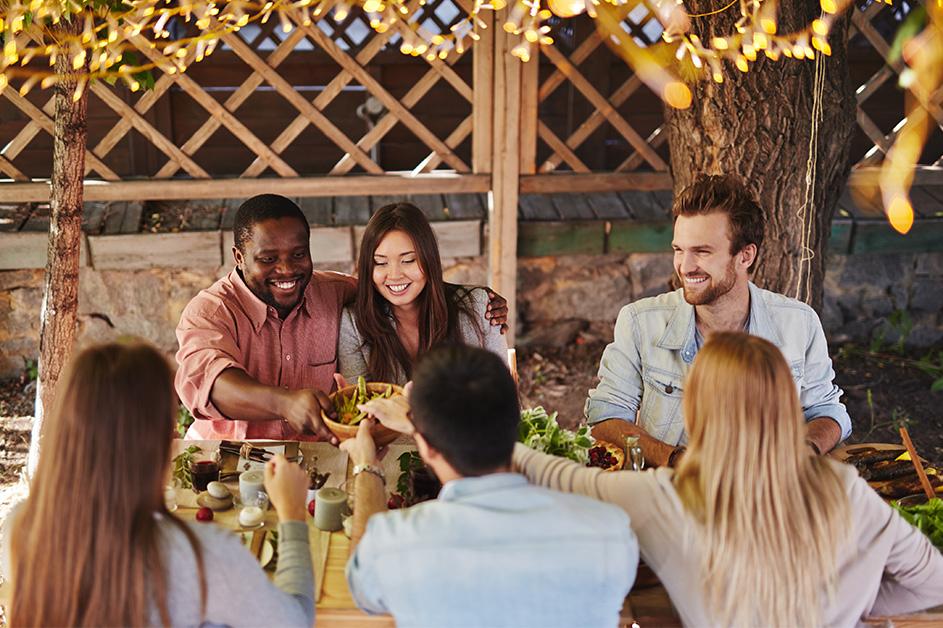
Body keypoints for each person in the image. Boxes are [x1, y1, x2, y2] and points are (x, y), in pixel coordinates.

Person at [517, 332, 943, 626]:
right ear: (786, 407)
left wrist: (484, 439)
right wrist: (853, 607)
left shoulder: (664, 498)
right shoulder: (846, 490)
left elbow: (556, 474)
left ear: (697, 410)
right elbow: (932, 582)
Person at [0, 340, 315, 626]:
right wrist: (291, 515)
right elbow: (296, 621)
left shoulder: (21, 528)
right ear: (158, 444)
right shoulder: (200, 556)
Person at [341, 345, 638, 628]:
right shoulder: (610, 533)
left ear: (427, 448)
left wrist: (367, 465)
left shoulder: (396, 545)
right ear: (516, 421)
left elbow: (360, 581)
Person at [174, 194, 508, 441]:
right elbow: (211, 384)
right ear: (239, 257)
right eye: (268, 258)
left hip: (317, 457)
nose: (286, 270)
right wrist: (284, 402)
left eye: (298, 254)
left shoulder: (333, 291)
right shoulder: (211, 312)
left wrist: (475, 301)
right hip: (229, 453)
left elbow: (397, 284)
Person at [586, 174, 851, 465]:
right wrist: (680, 462)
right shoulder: (638, 322)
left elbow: (827, 411)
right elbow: (605, 417)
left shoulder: (800, 323)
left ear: (745, 256)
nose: (685, 267)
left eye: (702, 251)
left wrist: (803, 452)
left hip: (767, 495)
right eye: (679, 250)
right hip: (671, 493)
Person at [338, 202, 507, 385]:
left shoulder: (480, 306)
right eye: (380, 263)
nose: (394, 275)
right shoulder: (354, 323)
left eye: (408, 260)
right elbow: (358, 403)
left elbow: (502, 395)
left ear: (429, 259)